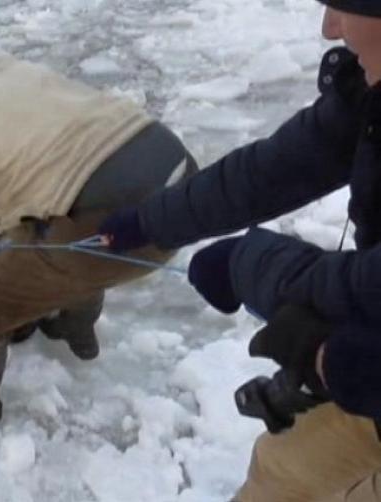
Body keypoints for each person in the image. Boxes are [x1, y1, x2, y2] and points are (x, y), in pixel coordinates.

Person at [97, 2, 381, 500]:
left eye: (345, 6)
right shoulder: (371, 92)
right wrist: (149, 221)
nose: (329, 28)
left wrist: (250, 266)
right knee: (285, 468)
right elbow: (272, 171)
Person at [0, 28, 196, 423]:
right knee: (53, 229)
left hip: (108, 217)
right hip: (181, 180)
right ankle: (76, 325)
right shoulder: (13, 69)